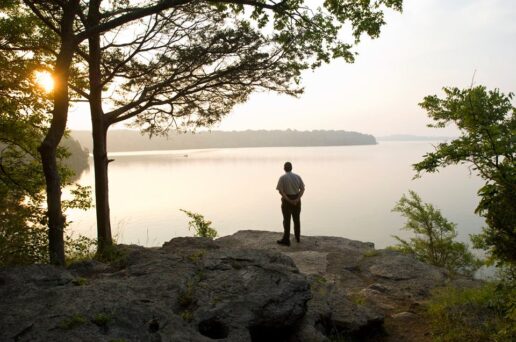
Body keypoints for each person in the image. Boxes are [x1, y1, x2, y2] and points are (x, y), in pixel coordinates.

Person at [276, 161, 305, 246]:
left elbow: (281, 191)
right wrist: (297, 199)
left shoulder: (282, 178)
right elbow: (302, 189)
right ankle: (297, 238)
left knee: (286, 220)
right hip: (296, 200)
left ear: (284, 168)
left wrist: (288, 200)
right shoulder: (297, 177)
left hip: (286, 201)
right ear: (291, 168)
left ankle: (286, 239)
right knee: (296, 220)